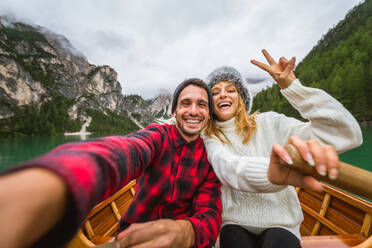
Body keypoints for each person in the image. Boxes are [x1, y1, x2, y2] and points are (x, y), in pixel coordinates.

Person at [0, 77, 342, 248]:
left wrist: (184, 230)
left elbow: (210, 215)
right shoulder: (157, 137)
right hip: (131, 239)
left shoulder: (211, 152)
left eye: (200, 104)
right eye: (185, 103)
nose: (193, 110)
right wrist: (56, 181)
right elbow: (122, 152)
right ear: (175, 110)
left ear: (207, 114)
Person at [203, 49, 363, 248]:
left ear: (241, 98)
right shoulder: (208, 137)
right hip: (234, 221)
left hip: (281, 222)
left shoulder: (269, 122)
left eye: (230, 89)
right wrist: (272, 172)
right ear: (210, 104)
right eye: (215, 92)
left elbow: (345, 134)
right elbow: (227, 167)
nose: (222, 95)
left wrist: (292, 87)